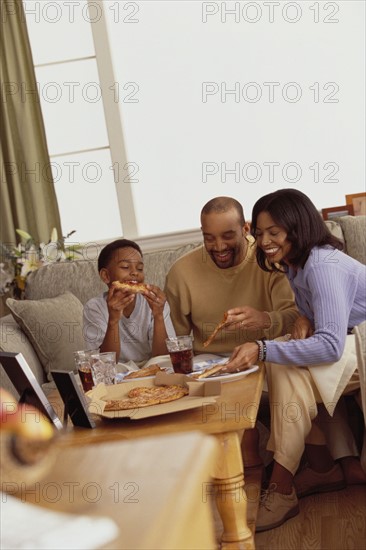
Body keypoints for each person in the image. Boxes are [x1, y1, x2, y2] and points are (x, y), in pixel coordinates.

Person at [223, 188, 366, 532]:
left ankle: (285, 484)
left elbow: (330, 345)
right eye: (259, 233)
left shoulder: (322, 266)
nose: (265, 240)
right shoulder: (296, 266)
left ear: (298, 227)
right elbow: (319, 319)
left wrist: (262, 348)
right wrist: (302, 319)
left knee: (277, 358)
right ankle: (307, 474)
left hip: (361, 344)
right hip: (353, 340)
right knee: (283, 362)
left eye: (275, 232)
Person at [164, 196, 299, 355]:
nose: (219, 246)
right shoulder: (181, 272)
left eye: (228, 236)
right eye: (209, 238)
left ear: (245, 229)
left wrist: (264, 319)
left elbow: (294, 319)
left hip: (263, 354)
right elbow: (175, 340)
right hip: (206, 362)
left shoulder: (270, 258)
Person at [83, 239, 175, 364]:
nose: (135, 273)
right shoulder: (94, 307)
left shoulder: (155, 303)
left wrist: (158, 315)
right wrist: (113, 320)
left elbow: (163, 359)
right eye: (125, 267)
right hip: (116, 372)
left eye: (140, 268)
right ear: (106, 276)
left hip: (151, 368)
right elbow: (104, 363)